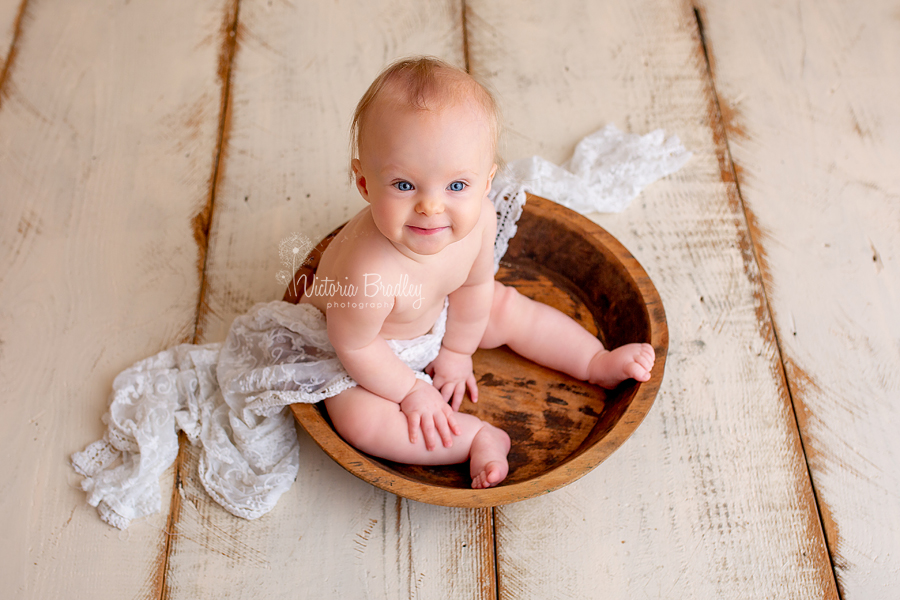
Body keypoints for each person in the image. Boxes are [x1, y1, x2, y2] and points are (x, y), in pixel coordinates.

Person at [300, 57, 655, 489]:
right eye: (404, 185)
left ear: (486, 182)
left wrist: (456, 351)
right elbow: (354, 344)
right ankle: (477, 439)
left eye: (456, 186)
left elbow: (473, 285)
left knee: (506, 307)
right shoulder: (365, 272)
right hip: (367, 349)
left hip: (436, 314)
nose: (431, 206)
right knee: (359, 420)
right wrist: (411, 391)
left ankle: (593, 361)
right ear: (364, 184)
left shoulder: (480, 220)